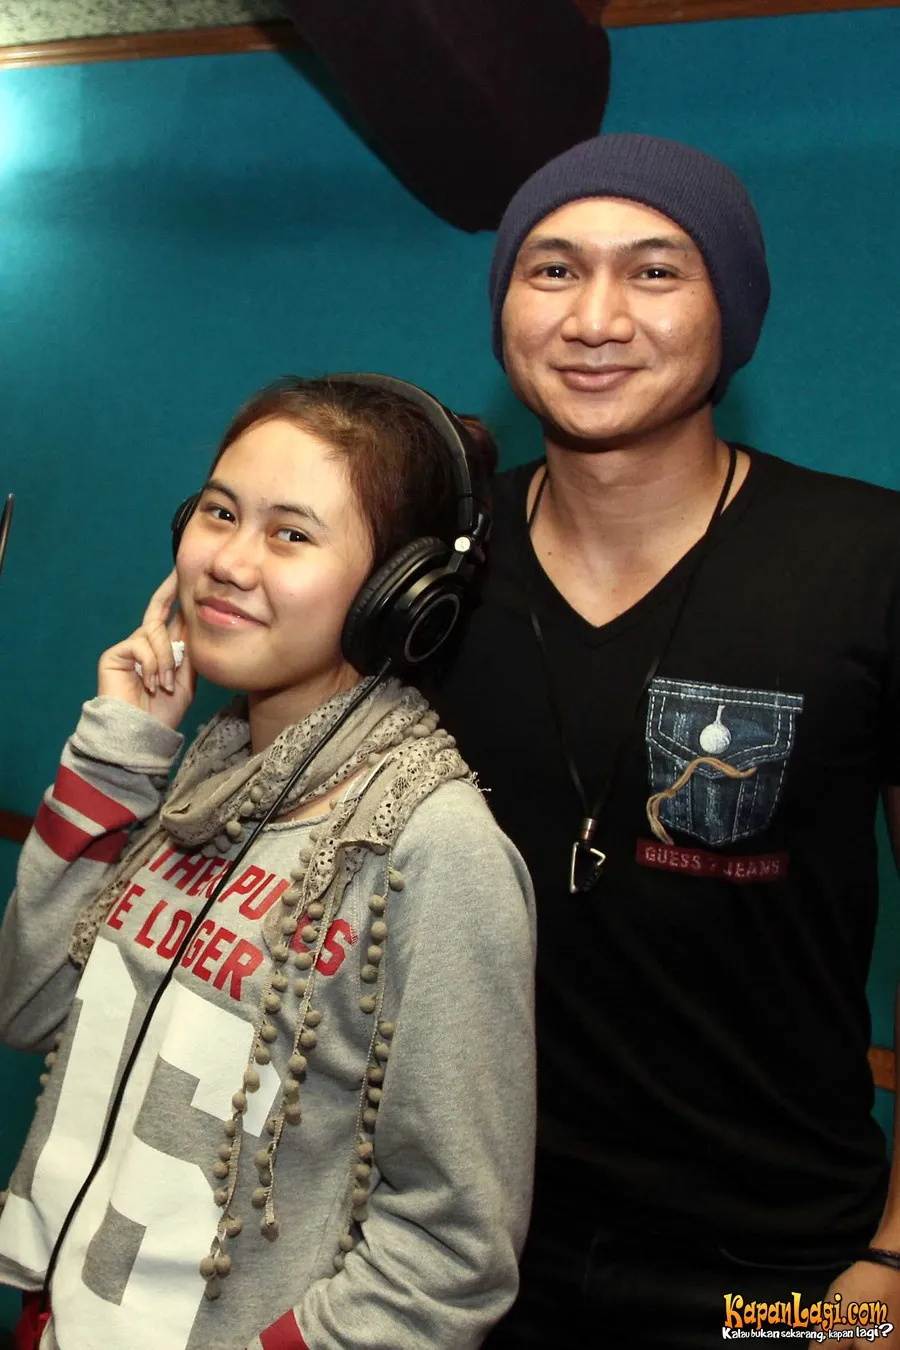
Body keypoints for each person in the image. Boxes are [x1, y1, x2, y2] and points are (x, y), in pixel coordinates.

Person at [430, 133, 900, 1347]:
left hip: (787, 1273)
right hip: (461, 1250)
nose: (595, 320)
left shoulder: (871, 561)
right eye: (552, 269)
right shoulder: (430, 569)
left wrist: (894, 1263)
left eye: (653, 271)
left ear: (728, 311)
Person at [0, 375, 536, 1350]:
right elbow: (27, 1007)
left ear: (400, 595)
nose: (228, 562)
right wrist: (117, 755)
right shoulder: (203, 778)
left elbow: (453, 1256)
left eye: (291, 534)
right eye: (219, 513)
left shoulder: (433, 849)